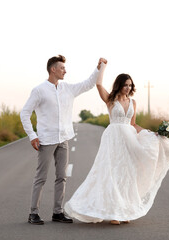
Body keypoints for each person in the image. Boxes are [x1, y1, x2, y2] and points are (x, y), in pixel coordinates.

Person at [64, 62, 169, 225]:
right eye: (125, 85)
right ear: (119, 85)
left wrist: (151, 133)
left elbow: (133, 124)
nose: (128, 87)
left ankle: (125, 210)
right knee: (113, 172)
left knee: (127, 173)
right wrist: (102, 66)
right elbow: (98, 84)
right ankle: (114, 214)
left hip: (130, 139)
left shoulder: (133, 102)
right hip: (113, 139)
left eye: (130, 85)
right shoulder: (110, 99)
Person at [20, 55, 107, 225]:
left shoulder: (68, 88)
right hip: (46, 139)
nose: (65, 71)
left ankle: (57, 212)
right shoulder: (39, 90)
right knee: (41, 177)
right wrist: (32, 135)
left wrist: (100, 68)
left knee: (62, 176)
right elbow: (24, 113)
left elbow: (89, 83)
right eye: (62, 68)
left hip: (64, 138)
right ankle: (33, 213)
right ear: (53, 69)